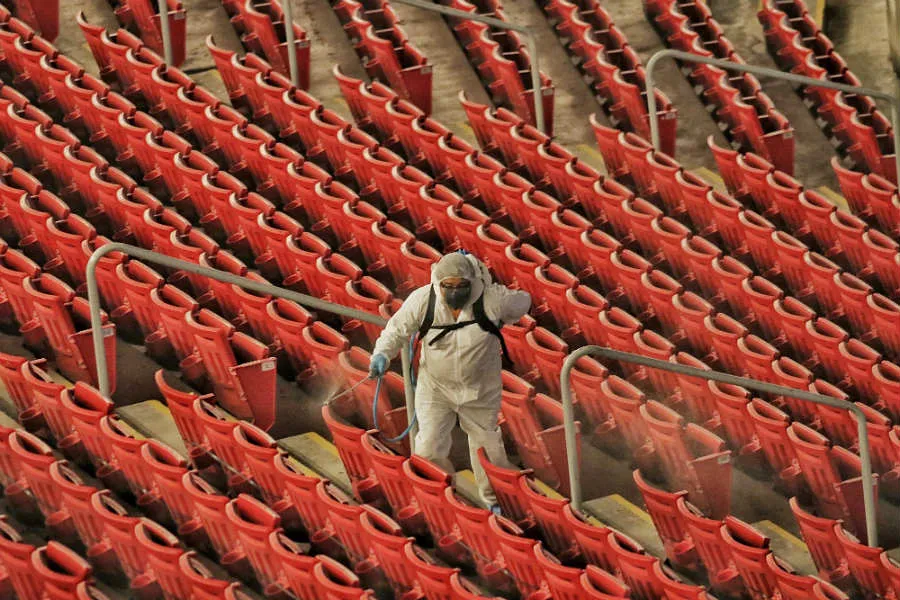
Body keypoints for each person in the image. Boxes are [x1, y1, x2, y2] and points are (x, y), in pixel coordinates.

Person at [368, 251, 531, 509]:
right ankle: (439, 499)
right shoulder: (423, 299)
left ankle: (495, 504)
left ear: (472, 283)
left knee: (488, 449)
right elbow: (396, 329)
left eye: (462, 286)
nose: (455, 292)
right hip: (436, 389)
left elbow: (524, 301)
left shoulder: (491, 299)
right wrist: (381, 355)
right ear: (439, 283)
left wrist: (488, 281)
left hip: (480, 391)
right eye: (449, 286)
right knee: (429, 445)